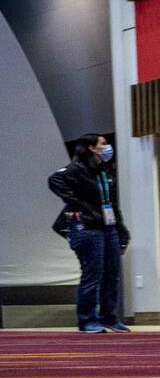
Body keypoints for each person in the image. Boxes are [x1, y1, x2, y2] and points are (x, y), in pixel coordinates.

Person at [48, 133, 131, 333]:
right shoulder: (77, 169)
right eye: (103, 144)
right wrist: (76, 203)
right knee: (92, 274)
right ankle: (87, 320)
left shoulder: (104, 172)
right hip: (88, 229)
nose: (107, 147)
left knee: (112, 275)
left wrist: (121, 229)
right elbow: (54, 179)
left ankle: (109, 317)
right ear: (92, 148)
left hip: (108, 228)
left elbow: (110, 203)